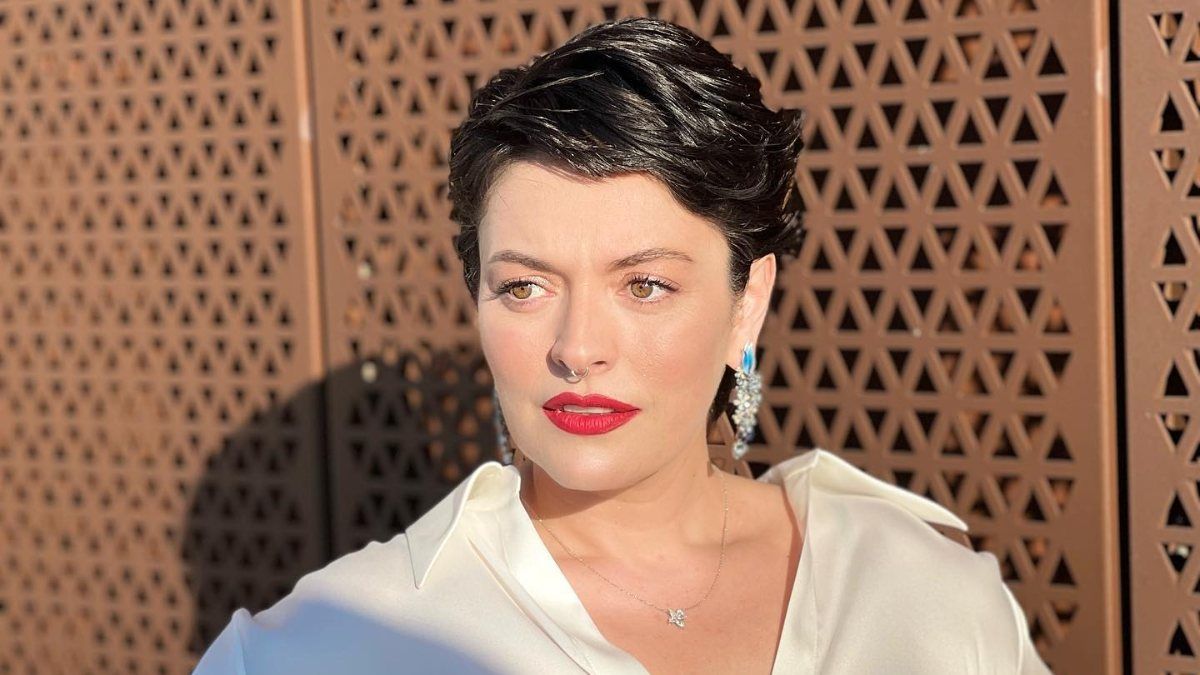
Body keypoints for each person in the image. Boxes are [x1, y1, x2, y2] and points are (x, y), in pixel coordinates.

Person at [194, 16, 1053, 674]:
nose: (577, 348)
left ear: (747, 304)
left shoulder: (923, 591)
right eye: (524, 287)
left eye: (644, 284)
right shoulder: (323, 647)